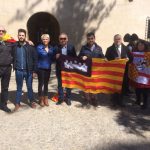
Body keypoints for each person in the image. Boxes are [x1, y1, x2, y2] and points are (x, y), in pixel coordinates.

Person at [12, 29, 37, 111]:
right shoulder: (14, 46)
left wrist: (34, 71)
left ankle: (32, 101)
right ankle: (17, 103)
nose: (21, 36)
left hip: (28, 71)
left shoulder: (30, 47)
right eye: (20, 35)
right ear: (18, 36)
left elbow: (35, 59)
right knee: (19, 87)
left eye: (23, 35)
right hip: (18, 70)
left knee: (29, 87)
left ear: (25, 36)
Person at [78, 32, 105, 107]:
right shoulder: (83, 48)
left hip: (95, 70)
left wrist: (105, 59)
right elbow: (79, 56)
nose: (90, 40)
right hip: (86, 69)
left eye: (92, 38)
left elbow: (102, 56)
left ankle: (94, 99)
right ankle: (87, 99)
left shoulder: (98, 48)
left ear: (94, 38)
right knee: (86, 84)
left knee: (95, 84)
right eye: (89, 39)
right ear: (87, 39)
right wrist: (81, 57)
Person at [105, 34, 130, 107]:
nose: (117, 40)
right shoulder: (109, 49)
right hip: (114, 72)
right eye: (116, 39)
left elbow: (131, 58)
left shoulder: (126, 48)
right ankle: (114, 101)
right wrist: (113, 60)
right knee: (114, 86)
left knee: (122, 86)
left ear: (121, 39)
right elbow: (107, 59)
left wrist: (128, 59)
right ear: (114, 40)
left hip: (123, 72)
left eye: (119, 39)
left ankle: (121, 101)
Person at [55, 33, 76, 106]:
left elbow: (74, 58)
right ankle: (61, 98)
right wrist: (55, 57)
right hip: (59, 69)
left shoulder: (71, 47)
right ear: (59, 40)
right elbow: (51, 57)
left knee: (69, 84)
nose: (63, 40)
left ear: (67, 39)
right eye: (61, 39)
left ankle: (68, 98)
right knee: (60, 85)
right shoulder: (56, 47)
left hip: (69, 69)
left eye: (64, 38)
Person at [36, 34, 55, 107]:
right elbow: (37, 58)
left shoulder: (51, 48)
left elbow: (53, 58)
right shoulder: (39, 47)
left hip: (48, 68)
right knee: (41, 84)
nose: (45, 40)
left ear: (49, 40)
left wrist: (57, 56)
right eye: (43, 39)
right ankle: (40, 99)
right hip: (40, 68)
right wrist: (35, 70)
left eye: (46, 39)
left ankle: (46, 98)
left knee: (46, 84)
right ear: (42, 40)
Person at [131, 40, 149, 109]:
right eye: (139, 45)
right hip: (137, 75)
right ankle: (138, 101)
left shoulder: (148, 54)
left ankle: (145, 104)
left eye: (142, 45)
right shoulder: (134, 53)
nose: (140, 46)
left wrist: (138, 66)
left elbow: (145, 64)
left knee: (145, 91)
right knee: (137, 89)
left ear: (145, 46)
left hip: (145, 76)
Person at [0, 26, 13, 113]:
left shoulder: (9, 41)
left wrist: (28, 41)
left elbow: (19, 43)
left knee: (5, 87)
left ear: (5, 32)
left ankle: (3, 104)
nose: (1, 32)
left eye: (2, 31)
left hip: (7, 67)